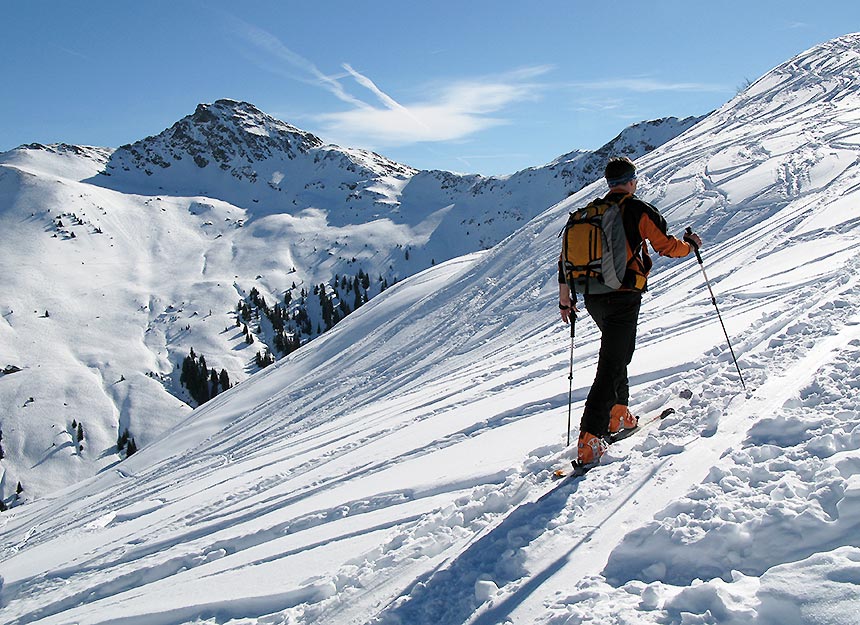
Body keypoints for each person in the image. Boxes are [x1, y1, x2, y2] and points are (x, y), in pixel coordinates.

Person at [558, 156, 701, 466]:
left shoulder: (588, 213)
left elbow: (565, 259)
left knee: (617, 353)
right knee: (611, 363)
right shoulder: (637, 209)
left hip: (592, 296)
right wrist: (690, 246)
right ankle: (589, 438)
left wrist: (564, 298)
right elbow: (665, 246)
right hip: (623, 296)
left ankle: (618, 413)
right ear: (632, 180)